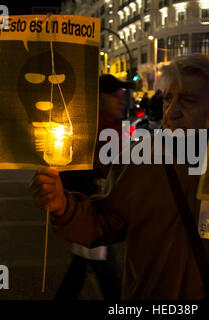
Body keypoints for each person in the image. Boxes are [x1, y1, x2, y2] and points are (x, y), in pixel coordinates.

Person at [30, 54, 209, 299]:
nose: (172, 112)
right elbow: (104, 221)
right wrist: (63, 206)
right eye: (168, 99)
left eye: (187, 101)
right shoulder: (139, 156)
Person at [54, 74, 130, 300]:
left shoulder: (111, 125)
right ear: (100, 98)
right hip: (94, 213)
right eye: (115, 95)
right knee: (108, 277)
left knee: (82, 269)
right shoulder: (92, 128)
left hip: (97, 216)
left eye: (122, 94)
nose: (121, 99)